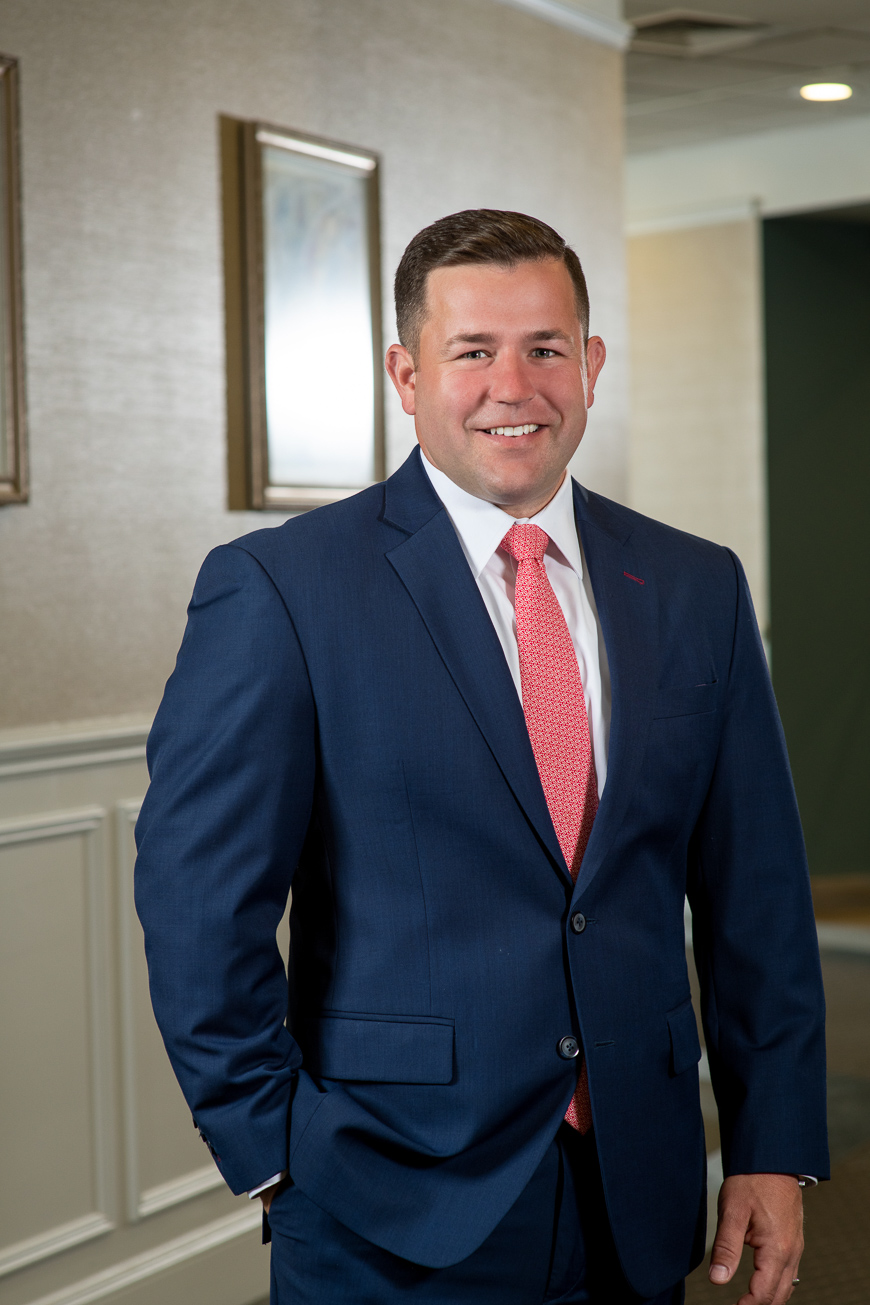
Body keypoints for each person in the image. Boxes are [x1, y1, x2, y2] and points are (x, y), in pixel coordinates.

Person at [135, 209, 828, 1305]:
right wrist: (272, 1150)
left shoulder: (697, 585)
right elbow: (196, 905)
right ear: (406, 375)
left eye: (545, 348)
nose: (515, 386)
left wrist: (771, 1140)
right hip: (381, 1198)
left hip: (638, 1187)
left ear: (591, 364)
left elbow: (761, 897)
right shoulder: (283, 588)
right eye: (472, 352)